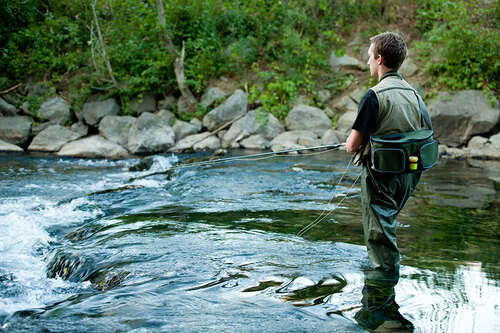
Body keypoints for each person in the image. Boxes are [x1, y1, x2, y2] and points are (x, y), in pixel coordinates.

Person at [345, 32, 423, 272]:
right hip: (410, 174)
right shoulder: (414, 93)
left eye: (370, 56)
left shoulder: (373, 96)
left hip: (382, 176)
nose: (367, 61)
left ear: (379, 59)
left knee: (379, 237)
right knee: (386, 229)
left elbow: (352, 146)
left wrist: (350, 142)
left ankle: (381, 298)